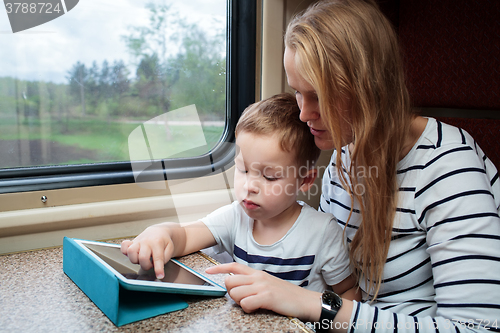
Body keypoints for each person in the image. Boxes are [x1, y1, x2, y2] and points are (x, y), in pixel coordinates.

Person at [206, 0, 500, 332]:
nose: (303, 114)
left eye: (317, 95)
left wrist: (313, 305)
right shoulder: (343, 156)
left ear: (367, 87)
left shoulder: (446, 164)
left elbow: (480, 328)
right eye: (298, 93)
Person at [121, 93, 360, 298]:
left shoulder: (322, 232)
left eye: (269, 177)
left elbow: (347, 292)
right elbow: (184, 235)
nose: (250, 186)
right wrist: (160, 234)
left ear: (305, 180)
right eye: (243, 170)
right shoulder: (236, 217)